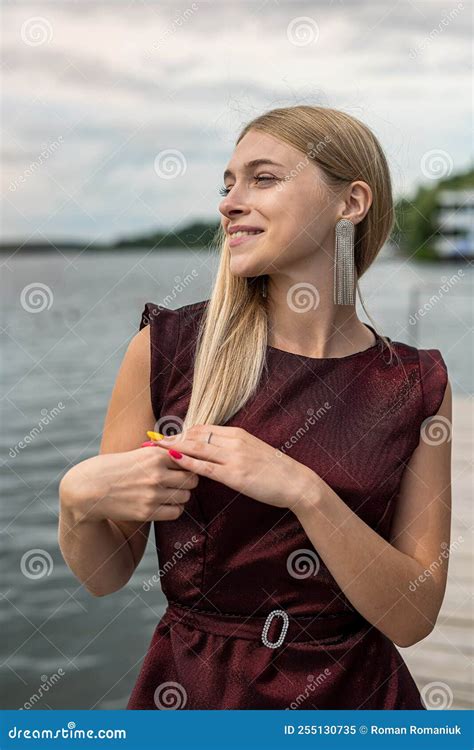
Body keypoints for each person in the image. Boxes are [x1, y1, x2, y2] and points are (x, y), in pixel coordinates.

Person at [58, 105, 451, 710]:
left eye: (262, 178)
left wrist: (305, 491)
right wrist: (76, 503)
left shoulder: (417, 384)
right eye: (228, 183)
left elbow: (413, 618)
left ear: (351, 202)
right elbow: (106, 576)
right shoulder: (165, 351)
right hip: (196, 694)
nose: (229, 202)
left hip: (357, 701)